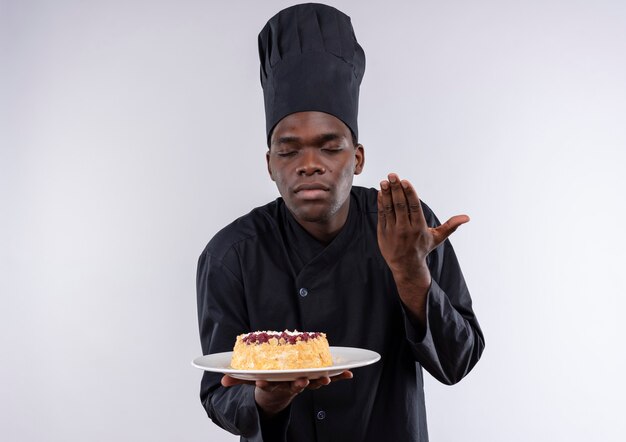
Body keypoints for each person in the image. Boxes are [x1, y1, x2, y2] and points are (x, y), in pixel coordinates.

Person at [196, 4, 484, 441]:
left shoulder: (407, 227)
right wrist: (264, 400)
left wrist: (411, 274)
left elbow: (457, 363)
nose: (309, 164)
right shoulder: (231, 255)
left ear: (358, 157)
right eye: (289, 150)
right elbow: (219, 395)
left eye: (329, 147)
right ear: (270, 164)